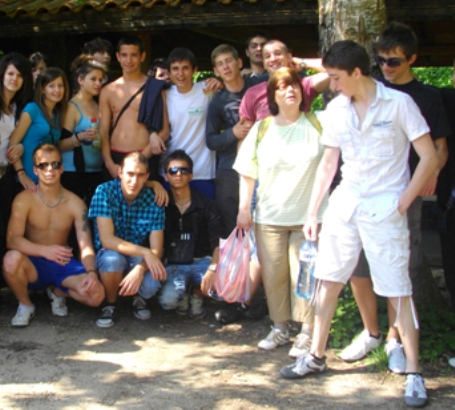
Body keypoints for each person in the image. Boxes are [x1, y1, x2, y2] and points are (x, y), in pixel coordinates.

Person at [280, 40, 438, 409]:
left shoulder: (399, 104)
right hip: (345, 205)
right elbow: (329, 163)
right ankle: (315, 356)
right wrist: (313, 212)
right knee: (328, 280)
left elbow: (429, 156)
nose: (332, 84)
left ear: (356, 72)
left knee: (397, 289)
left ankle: (414, 372)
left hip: (386, 208)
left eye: (336, 77)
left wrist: (404, 201)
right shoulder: (336, 109)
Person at [341, 22, 451, 374]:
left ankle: (394, 338)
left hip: (405, 191)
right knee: (357, 265)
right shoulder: (369, 88)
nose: (386, 67)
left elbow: (440, 148)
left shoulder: (427, 96)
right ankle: (371, 331)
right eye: (381, 60)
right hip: (363, 192)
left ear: (412, 59)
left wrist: (430, 176)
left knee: (398, 270)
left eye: (394, 61)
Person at [234, 67, 327, 358]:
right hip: (269, 217)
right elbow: (247, 171)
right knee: (274, 275)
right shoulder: (262, 129)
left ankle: (307, 332)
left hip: (309, 218)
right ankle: (280, 327)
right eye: (283, 87)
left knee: (305, 274)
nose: (290, 91)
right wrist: (243, 209)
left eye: (295, 85)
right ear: (272, 95)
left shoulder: (319, 123)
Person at [3, 143, 105, 327]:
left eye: (55, 164)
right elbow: (12, 240)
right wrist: (44, 251)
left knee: (96, 295)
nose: (49, 169)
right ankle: (25, 305)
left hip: (62, 262)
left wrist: (91, 273)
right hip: (32, 263)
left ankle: (57, 292)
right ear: (35, 170)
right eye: (43, 165)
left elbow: (86, 246)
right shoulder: (24, 200)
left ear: (62, 168)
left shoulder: (75, 203)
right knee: (10, 259)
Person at [205, 44, 265, 324]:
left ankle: (260, 298)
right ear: (215, 70)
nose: (226, 67)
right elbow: (211, 140)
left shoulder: (259, 86)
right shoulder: (217, 102)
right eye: (220, 64)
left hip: (266, 167)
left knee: (265, 233)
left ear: (239, 62)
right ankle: (235, 297)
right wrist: (233, 132)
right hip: (231, 171)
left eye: (229, 61)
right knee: (235, 235)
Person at [88, 152, 166, 328]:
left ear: (146, 177)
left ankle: (137, 298)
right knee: (112, 259)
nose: (134, 181)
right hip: (111, 253)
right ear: (120, 172)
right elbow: (107, 240)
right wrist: (146, 252)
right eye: (130, 174)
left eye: (140, 175)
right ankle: (111, 304)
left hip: (137, 257)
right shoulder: (104, 192)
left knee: (152, 283)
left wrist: (140, 269)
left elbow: (157, 249)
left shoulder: (154, 199)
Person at [158, 149, 223, 318]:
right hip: (175, 264)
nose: (178, 174)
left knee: (222, 291)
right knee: (168, 301)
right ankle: (182, 293)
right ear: (166, 176)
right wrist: (153, 184)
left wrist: (213, 269)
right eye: (173, 170)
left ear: (191, 176)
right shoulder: (161, 204)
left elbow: (218, 242)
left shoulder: (207, 205)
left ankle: (196, 292)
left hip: (203, 261)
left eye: (184, 170)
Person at [99, 35, 168, 182]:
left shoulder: (154, 87)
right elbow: (103, 131)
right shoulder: (108, 91)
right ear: (118, 57)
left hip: (145, 156)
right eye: (124, 55)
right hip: (115, 158)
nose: (128, 60)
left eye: (134, 55)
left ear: (142, 56)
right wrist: (109, 163)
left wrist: (139, 160)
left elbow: (164, 131)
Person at [163, 47, 216, 199]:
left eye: (185, 68)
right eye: (175, 69)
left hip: (202, 170)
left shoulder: (207, 90)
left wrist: (221, 83)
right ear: (169, 72)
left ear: (195, 70)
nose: (180, 74)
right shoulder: (164, 94)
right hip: (173, 172)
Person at [7, 67, 69, 191]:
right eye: (51, 86)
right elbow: (13, 144)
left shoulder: (58, 114)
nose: (57, 90)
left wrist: (78, 139)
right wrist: (21, 174)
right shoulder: (32, 109)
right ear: (42, 89)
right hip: (26, 181)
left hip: (46, 180)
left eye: (60, 86)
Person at [239, 39, 329, 123]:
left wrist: (302, 62)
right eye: (267, 56)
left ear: (288, 57)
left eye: (278, 53)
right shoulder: (252, 93)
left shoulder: (302, 85)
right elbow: (245, 130)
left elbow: (335, 69)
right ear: (264, 63)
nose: (273, 59)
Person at [59, 55, 106, 206]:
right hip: (73, 173)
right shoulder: (72, 107)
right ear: (80, 80)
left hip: (97, 172)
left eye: (100, 79)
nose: (98, 83)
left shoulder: (99, 105)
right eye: (93, 79)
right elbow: (58, 144)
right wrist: (79, 137)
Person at [0, 53, 33, 252]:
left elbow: (14, 139)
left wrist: (20, 147)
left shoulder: (17, 107)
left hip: (5, 173)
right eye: (10, 74)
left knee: (4, 223)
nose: (14, 79)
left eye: (19, 75)